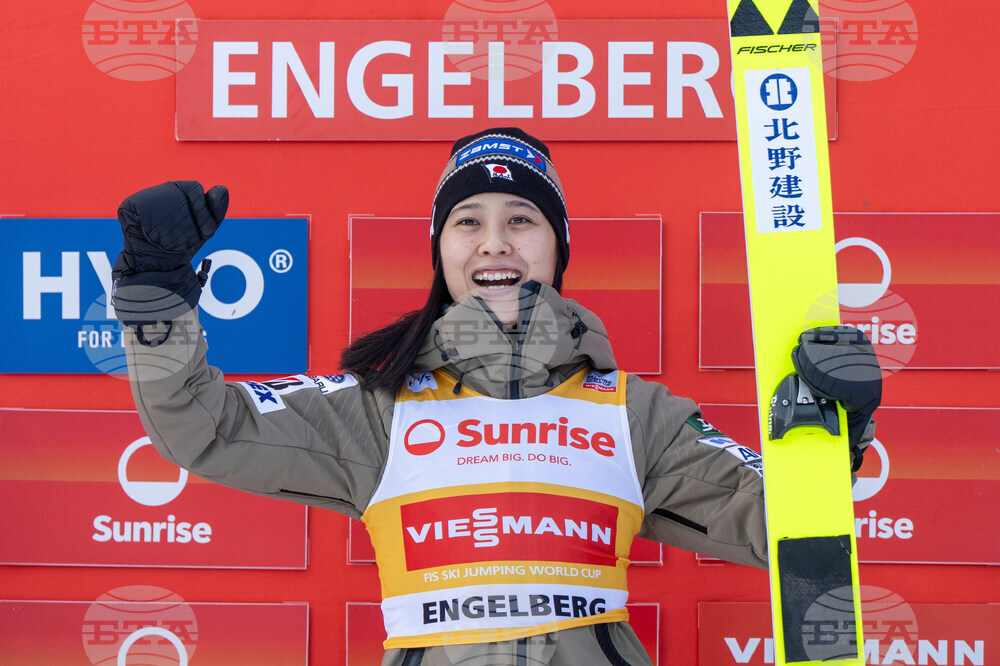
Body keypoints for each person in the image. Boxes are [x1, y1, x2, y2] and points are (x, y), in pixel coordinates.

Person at [112, 128, 880, 665]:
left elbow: (779, 528)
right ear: (441, 249)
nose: (494, 242)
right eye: (468, 222)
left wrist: (829, 438)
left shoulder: (635, 415)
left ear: (557, 248)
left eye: (522, 220)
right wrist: (154, 294)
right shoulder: (376, 407)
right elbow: (206, 430)